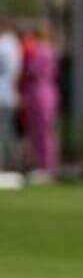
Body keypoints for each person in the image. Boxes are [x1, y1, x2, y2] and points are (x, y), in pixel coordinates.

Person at [18, 19, 60, 175]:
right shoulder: (42, 49)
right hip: (35, 91)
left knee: (44, 130)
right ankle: (40, 164)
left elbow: (33, 71)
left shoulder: (44, 50)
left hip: (41, 91)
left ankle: (47, 166)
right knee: (36, 131)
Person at [0, 18, 20, 170]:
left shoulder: (7, 45)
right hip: (6, 93)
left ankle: (9, 165)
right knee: (7, 130)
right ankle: (10, 164)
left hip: (4, 93)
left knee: (5, 130)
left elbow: (12, 71)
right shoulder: (10, 44)